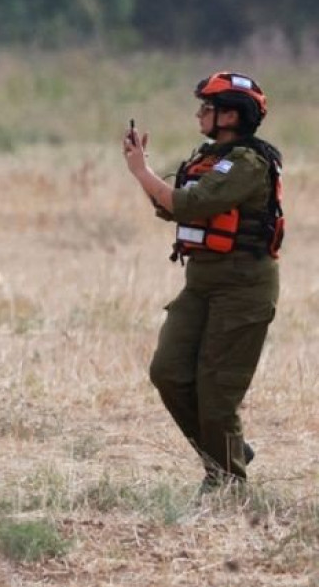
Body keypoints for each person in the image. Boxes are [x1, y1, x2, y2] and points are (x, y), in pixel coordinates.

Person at [123, 71, 283, 492]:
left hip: (242, 290)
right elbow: (173, 208)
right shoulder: (210, 158)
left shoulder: (248, 163)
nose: (199, 113)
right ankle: (228, 450)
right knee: (169, 372)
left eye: (207, 108)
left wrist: (142, 172)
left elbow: (188, 204)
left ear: (230, 116)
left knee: (217, 393)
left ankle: (227, 484)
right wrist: (146, 175)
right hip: (201, 284)